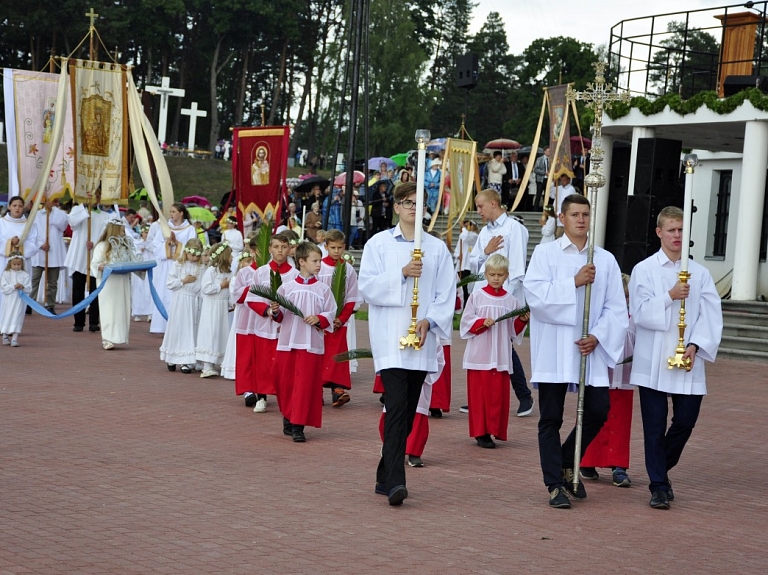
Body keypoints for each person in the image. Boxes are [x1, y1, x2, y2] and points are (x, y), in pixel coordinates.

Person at [523, 193, 628, 509]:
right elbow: (536, 297)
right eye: (575, 214)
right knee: (551, 416)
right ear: (562, 217)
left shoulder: (605, 259)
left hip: (588, 348)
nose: (581, 220)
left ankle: (568, 460)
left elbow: (616, 307)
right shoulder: (546, 254)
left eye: (585, 214)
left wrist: (598, 335)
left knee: (598, 409)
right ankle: (554, 483)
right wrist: (574, 282)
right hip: (555, 347)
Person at [358, 182, 455, 506]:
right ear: (397, 207)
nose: (414, 207)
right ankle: (397, 482)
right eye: (407, 202)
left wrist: (431, 319)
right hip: (390, 340)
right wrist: (401, 273)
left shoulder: (436, 248)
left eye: (418, 202)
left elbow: (446, 292)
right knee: (397, 408)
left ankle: (384, 472)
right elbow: (367, 288)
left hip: (421, 339)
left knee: (409, 412)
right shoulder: (379, 245)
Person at [629, 206, 722, 509]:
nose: (677, 236)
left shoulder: (701, 273)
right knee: (654, 426)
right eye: (671, 230)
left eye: (682, 230)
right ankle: (658, 485)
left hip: (687, 358)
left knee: (685, 421)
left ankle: (660, 468)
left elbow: (710, 315)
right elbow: (640, 314)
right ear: (659, 232)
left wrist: (696, 344)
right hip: (653, 356)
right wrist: (669, 296)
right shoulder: (644, 270)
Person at [469, 189, 534, 417]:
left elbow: (516, 268)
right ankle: (479, 395)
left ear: (493, 204)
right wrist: (484, 252)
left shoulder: (514, 229)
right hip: (483, 294)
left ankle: (524, 395)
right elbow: (473, 262)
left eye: (480, 206)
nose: (478, 211)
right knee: (482, 346)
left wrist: (506, 300)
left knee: (505, 346)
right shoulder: (485, 232)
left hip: (504, 296)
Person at [461, 254, 529, 448]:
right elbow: (466, 322)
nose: (496, 278)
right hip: (480, 353)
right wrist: (481, 322)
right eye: (492, 274)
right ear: (486, 274)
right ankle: (481, 432)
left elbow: (512, 332)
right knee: (479, 394)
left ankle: (496, 429)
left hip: (500, 353)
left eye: (500, 274)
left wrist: (522, 320)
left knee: (497, 394)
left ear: (507, 275)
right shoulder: (477, 296)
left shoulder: (511, 300)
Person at [274, 241, 337, 442]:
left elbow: (330, 311)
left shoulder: (323, 289)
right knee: (286, 382)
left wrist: (320, 318)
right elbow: (279, 316)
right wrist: (275, 310)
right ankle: (287, 415)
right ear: (302, 262)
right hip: (288, 341)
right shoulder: (287, 288)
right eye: (315, 260)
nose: (319, 264)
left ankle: (298, 425)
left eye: (320, 260)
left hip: (311, 344)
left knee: (305, 385)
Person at [579, 273, 635, 487]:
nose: (625, 301)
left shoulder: (634, 319)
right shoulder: (599, 317)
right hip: (601, 377)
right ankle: (587, 461)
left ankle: (619, 466)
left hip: (624, 379)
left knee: (620, 423)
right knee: (595, 417)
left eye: (628, 297)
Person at [245, 232, 299, 411]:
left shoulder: (295, 274)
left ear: (290, 249)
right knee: (264, 362)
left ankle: (286, 396)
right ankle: (262, 396)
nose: (280, 251)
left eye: (284, 247)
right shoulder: (261, 272)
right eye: (276, 247)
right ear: (269, 249)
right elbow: (252, 298)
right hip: (265, 324)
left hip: (286, 325)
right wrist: (267, 310)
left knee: (283, 363)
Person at [318, 229, 360, 407]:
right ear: (326, 246)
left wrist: (341, 319)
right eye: (333, 247)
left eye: (340, 247)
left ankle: (337, 390)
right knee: (319, 355)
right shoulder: (319, 266)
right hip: (320, 321)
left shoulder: (348, 269)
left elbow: (352, 297)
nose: (336, 251)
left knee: (338, 355)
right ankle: (315, 390)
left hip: (339, 322)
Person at [149, 203, 197, 334]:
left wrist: (177, 244)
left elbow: (192, 246)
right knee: (164, 292)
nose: (171, 214)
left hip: (181, 266)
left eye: (174, 212)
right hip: (166, 266)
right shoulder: (165, 227)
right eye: (170, 212)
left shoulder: (189, 229)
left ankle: (178, 326)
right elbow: (155, 245)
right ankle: (162, 325)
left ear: (181, 213)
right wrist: (167, 243)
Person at [63, 193, 108, 333]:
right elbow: (72, 223)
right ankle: (78, 321)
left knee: (95, 290)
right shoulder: (78, 211)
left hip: (94, 256)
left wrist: (95, 243)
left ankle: (94, 321)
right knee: (78, 290)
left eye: (97, 195)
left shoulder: (104, 216)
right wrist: (84, 207)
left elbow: (105, 236)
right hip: (79, 256)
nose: (95, 198)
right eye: (92, 195)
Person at [159, 238, 204, 373]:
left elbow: (201, 286)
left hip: (193, 300)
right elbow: (169, 283)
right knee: (178, 328)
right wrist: (183, 281)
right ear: (186, 252)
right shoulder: (178, 265)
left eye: (197, 255)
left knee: (190, 329)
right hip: (180, 300)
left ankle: (187, 360)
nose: (195, 258)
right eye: (192, 254)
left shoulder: (201, 267)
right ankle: (172, 358)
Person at [90, 220, 134, 350]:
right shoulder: (102, 246)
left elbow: (132, 260)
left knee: (121, 308)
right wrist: (100, 266)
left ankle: (120, 336)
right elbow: (94, 263)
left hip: (122, 280)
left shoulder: (125, 246)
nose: (123, 233)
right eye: (121, 230)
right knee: (108, 308)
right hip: (108, 281)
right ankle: (107, 338)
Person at [195, 241, 233, 378]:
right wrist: (220, 286)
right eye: (230, 255)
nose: (232, 258)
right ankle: (206, 365)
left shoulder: (228, 272)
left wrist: (231, 302)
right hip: (212, 307)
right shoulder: (211, 271)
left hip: (222, 306)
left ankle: (219, 361)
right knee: (210, 332)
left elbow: (230, 290)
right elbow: (205, 288)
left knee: (221, 333)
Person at [221, 250, 255, 381]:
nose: (250, 264)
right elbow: (235, 296)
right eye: (247, 261)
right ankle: (233, 368)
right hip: (241, 314)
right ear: (240, 264)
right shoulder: (236, 279)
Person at [30, 198, 67, 314]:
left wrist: (53, 211)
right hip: (39, 251)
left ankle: (50, 304)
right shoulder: (37, 214)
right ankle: (30, 303)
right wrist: (40, 244)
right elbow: (32, 233)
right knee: (34, 279)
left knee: (52, 282)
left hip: (54, 251)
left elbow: (63, 225)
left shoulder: (60, 214)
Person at [1, 252, 31, 347]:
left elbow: (29, 288)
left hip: (19, 300)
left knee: (17, 316)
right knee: (7, 316)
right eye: (14, 264)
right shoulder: (6, 274)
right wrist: (13, 286)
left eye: (19, 264)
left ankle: (14, 338)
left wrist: (22, 286)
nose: (17, 266)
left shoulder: (25, 275)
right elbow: (3, 287)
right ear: (10, 264)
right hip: (9, 300)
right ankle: (5, 335)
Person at [131, 224, 154, 322]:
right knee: (138, 290)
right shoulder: (136, 243)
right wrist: (139, 251)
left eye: (148, 233)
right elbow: (132, 255)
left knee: (149, 291)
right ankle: (137, 312)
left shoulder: (152, 244)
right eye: (145, 232)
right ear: (141, 233)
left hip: (149, 269)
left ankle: (150, 313)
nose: (147, 235)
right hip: (139, 271)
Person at [552, 174, 576, 239]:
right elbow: (552, 195)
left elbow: (568, 204)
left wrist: (560, 212)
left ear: (568, 180)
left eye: (564, 180)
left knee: (558, 236)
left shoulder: (571, 189)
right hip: (555, 214)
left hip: (562, 216)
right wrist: (553, 183)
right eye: (561, 180)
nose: (562, 182)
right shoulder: (559, 188)